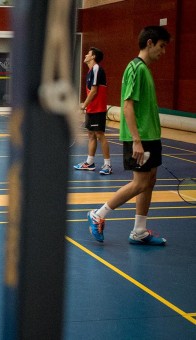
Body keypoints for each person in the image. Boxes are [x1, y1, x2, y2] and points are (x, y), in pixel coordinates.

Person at [87, 26, 171, 246]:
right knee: (139, 183)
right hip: (140, 137)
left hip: (151, 136)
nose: (163, 52)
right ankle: (98, 214)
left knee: (149, 181)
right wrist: (136, 140)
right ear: (150, 43)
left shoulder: (146, 69)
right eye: (161, 46)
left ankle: (139, 231)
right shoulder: (135, 67)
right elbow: (127, 106)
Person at [74, 47, 111, 175]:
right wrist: (87, 106)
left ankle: (107, 165)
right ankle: (89, 163)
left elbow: (94, 91)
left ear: (93, 57)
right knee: (91, 135)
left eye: (88, 54)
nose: (85, 55)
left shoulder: (96, 69)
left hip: (98, 109)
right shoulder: (90, 71)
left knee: (100, 135)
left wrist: (83, 105)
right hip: (92, 109)